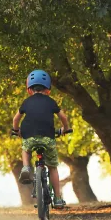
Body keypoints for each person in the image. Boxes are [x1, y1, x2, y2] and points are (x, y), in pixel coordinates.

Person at [11, 69, 70, 208]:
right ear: (48, 89)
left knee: (26, 149)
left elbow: (15, 119)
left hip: (29, 135)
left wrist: (16, 130)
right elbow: (63, 117)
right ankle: (57, 198)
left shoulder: (26, 102)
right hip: (48, 138)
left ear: (29, 89)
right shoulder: (51, 102)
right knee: (53, 168)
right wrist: (65, 128)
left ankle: (26, 167)